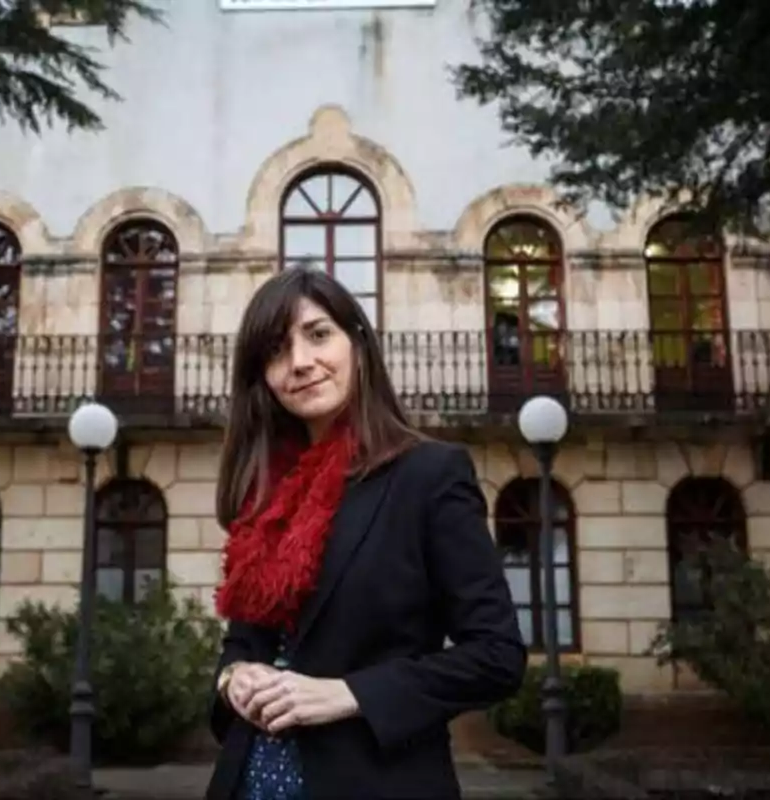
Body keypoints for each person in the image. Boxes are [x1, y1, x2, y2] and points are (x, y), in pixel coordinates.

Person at [205, 266, 528, 800]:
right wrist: (232, 677)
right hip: (252, 780)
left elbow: (496, 657)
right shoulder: (266, 497)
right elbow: (245, 643)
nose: (300, 363)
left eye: (317, 334)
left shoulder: (429, 475)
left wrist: (349, 693)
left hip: (379, 779)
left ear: (357, 342)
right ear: (261, 376)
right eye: (276, 351)